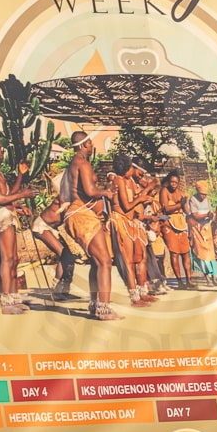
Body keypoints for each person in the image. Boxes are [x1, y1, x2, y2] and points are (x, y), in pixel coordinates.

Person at [58, 131, 122, 321]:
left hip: (77, 214)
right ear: (84, 145)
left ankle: (95, 305)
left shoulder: (74, 164)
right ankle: (104, 309)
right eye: (91, 144)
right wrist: (107, 193)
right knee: (105, 261)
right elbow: (90, 191)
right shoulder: (82, 163)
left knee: (97, 262)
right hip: (82, 216)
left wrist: (105, 190)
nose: (92, 147)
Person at [0, 138, 39, 313]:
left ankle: (13, 298)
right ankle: (7, 302)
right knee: (7, 259)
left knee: (12, 259)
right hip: (2, 215)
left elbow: (8, 194)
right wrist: (23, 195)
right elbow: (0, 199)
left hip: (1, 214)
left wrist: (20, 176)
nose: (2, 150)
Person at [108, 155, 158, 307]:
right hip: (121, 221)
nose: (132, 171)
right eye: (131, 168)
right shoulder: (118, 180)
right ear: (126, 169)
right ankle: (134, 297)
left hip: (132, 222)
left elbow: (135, 198)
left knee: (141, 258)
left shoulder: (129, 181)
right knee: (128, 260)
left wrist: (144, 197)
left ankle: (143, 292)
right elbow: (127, 205)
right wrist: (141, 199)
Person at [158, 172, 194, 289]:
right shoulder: (164, 191)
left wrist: (186, 204)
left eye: (176, 182)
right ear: (168, 182)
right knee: (174, 253)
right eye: (172, 182)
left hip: (180, 223)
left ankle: (189, 279)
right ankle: (179, 281)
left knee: (185, 253)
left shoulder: (180, 193)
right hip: (169, 223)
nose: (174, 184)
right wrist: (179, 205)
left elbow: (186, 210)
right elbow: (166, 209)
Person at [186, 180, 217, 282]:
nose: (204, 196)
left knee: (211, 253)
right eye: (202, 194)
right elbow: (195, 215)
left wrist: (211, 216)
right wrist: (206, 215)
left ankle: (214, 276)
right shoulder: (193, 200)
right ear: (198, 192)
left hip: (207, 228)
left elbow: (211, 212)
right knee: (202, 253)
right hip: (198, 229)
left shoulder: (207, 200)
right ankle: (207, 276)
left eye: (205, 194)